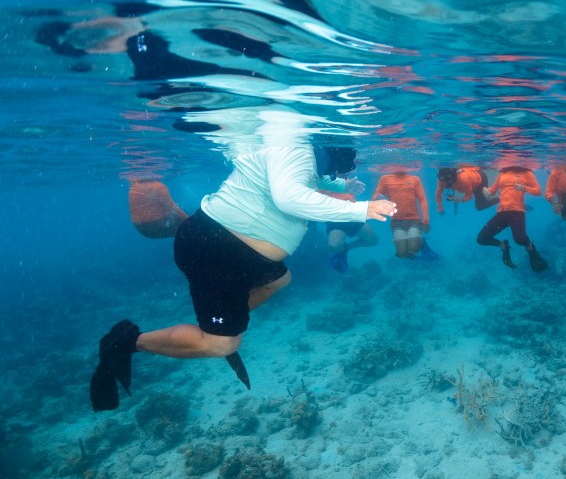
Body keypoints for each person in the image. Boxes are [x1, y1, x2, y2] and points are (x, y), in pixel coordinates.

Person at [89, 143, 397, 412]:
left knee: (280, 280)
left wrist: (342, 188)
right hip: (215, 252)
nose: (347, 169)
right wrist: (362, 209)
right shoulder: (294, 151)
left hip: (237, 253)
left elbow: (308, 180)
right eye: (345, 164)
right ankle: (127, 341)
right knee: (222, 346)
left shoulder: (299, 154)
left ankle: (222, 318)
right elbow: (290, 197)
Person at [476, 166, 548, 272]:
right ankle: (503, 246)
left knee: (519, 240)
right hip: (502, 212)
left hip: (517, 212)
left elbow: (538, 191)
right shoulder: (502, 173)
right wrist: (484, 190)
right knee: (481, 239)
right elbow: (491, 192)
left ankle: (530, 248)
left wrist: (524, 188)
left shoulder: (527, 173)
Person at [372, 168, 430, 259]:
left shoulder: (415, 179)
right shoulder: (385, 179)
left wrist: (426, 220)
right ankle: (413, 247)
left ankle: (421, 243)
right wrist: (378, 198)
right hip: (396, 221)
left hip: (414, 219)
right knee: (401, 254)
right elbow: (375, 197)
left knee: (413, 247)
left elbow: (422, 199)